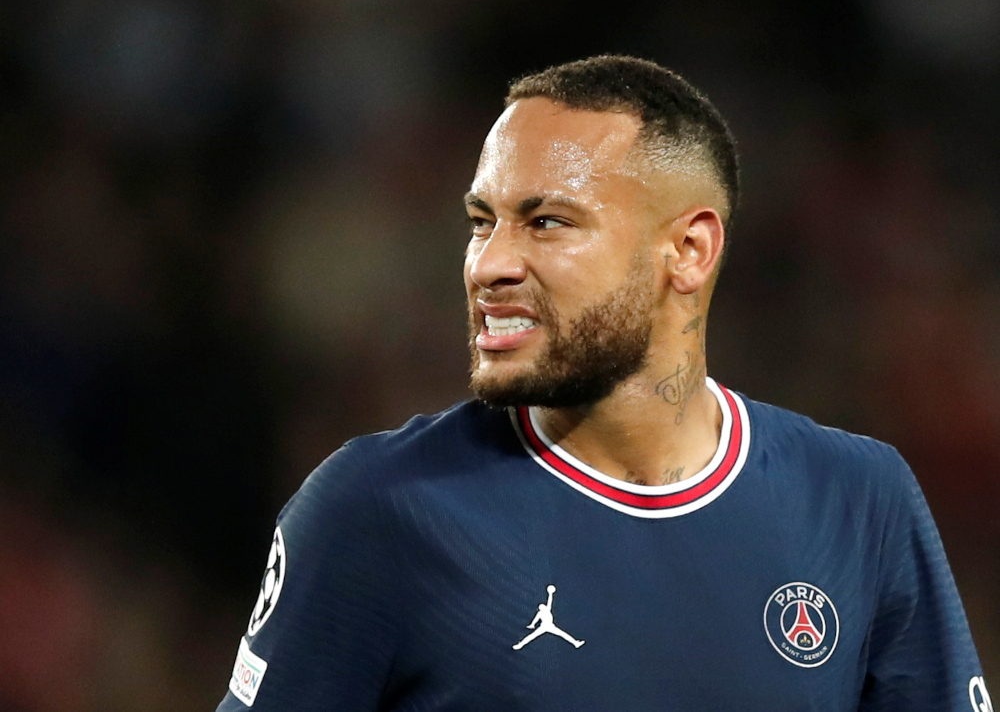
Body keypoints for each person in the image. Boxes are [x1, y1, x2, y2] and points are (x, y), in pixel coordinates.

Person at [218, 55, 991, 711]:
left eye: (547, 222)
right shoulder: (379, 509)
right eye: (482, 221)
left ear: (688, 251)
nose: (490, 264)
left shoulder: (859, 500)